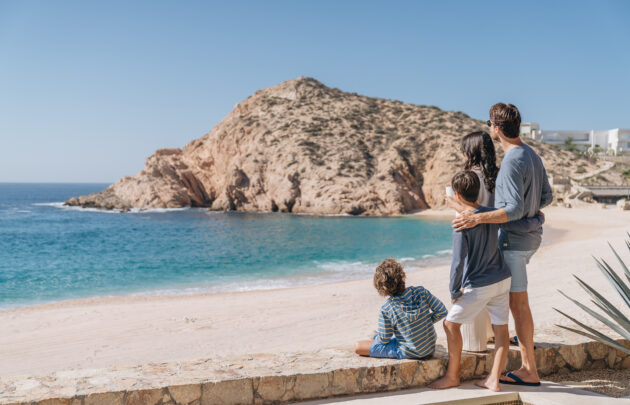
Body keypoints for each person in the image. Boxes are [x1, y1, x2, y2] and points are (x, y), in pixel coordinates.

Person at [450, 103, 553, 386]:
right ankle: (523, 364)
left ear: (496, 128)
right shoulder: (532, 154)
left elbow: (513, 209)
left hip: (513, 243)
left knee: (519, 306)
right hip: (531, 239)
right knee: (516, 302)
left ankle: (529, 370)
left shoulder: (510, 161)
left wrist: (477, 217)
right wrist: (534, 214)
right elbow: (545, 197)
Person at [430, 171, 544, 391]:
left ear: (457, 194)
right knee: (501, 331)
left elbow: (457, 263)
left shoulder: (461, 224)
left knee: (450, 325)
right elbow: (509, 220)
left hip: (479, 285)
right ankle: (493, 380)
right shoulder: (492, 214)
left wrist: (454, 292)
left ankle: (452, 376)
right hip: (502, 280)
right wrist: (539, 218)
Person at [354, 258, 447, 360]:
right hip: (429, 348)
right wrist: (424, 321)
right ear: (402, 276)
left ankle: (374, 335)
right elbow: (442, 311)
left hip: (408, 351)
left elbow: (384, 339)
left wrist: (374, 337)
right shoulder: (421, 292)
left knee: (358, 346)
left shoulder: (388, 308)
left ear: (381, 288)